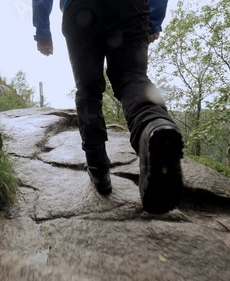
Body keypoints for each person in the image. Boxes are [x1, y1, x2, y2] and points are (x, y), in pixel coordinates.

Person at [32, 0, 184, 214]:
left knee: (88, 90)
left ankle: (98, 169)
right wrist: (154, 19)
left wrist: (42, 30)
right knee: (132, 78)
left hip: (79, 10)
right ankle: (155, 125)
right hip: (130, 8)